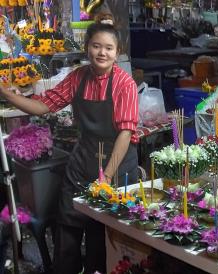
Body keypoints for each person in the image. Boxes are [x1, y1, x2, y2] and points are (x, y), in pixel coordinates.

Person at [0, 22, 139, 274]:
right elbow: (44, 106)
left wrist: (106, 178)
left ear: (117, 53)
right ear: (87, 48)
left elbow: (125, 133)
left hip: (116, 167)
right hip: (83, 160)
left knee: (102, 237)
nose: (102, 53)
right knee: (67, 225)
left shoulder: (124, 84)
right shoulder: (78, 77)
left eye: (108, 48)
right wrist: (8, 95)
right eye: (96, 46)